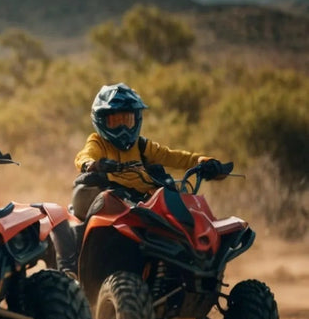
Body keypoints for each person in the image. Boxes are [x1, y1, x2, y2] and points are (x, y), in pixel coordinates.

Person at [58, 82, 225, 272]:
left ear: (136, 120)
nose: (122, 128)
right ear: (101, 121)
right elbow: (84, 156)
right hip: (113, 201)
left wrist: (203, 161)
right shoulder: (98, 142)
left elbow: (173, 156)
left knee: (181, 206)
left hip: (143, 203)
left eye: (127, 120)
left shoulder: (142, 145)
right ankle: (80, 263)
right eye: (115, 121)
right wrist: (92, 164)